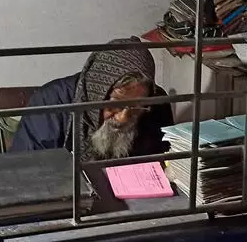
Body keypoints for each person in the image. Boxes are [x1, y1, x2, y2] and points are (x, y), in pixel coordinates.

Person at [9, 37, 174, 161]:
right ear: (98, 91)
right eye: (116, 104)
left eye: (136, 107)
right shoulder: (51, 104)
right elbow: (24, 170)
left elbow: (165, 162)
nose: (123, 118)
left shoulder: (155, 105)